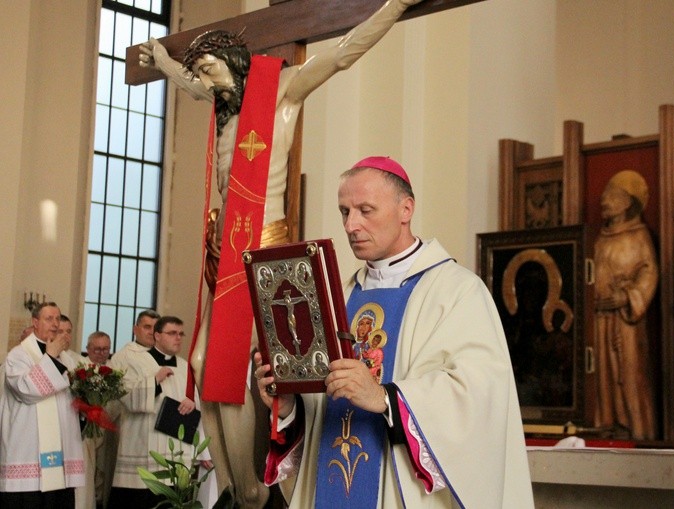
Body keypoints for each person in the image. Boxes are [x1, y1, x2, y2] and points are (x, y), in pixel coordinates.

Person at [138, 1, 426, 506]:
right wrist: (161, 58)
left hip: (265, 244)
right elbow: (188, 83)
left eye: (211, 70)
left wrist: (394, 6)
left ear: (236, 63)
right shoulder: (222, 109)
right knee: (203, 365)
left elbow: (341, 54)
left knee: (250, 368)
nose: (205, 81)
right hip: (225, 248)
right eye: (201, 73)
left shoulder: (282, 95)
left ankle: (254, 489)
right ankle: (230, 486)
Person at [254, 157, 533, 508]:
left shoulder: (457, 292)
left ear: (406, 209)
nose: (351, 225)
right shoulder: (339, 296)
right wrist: (288, 405)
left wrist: (386, 399)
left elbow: (479, 398)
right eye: (344, 211)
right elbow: (323, 409)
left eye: (365, 210)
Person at [109, 316, 208, 509]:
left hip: (176, 448)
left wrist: (192, 402)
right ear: (157, 335)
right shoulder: (135, 360)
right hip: (142, 445)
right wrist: (154, 381)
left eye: (180, 334)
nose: (178, 338)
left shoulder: (186, 366)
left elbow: (200, 401)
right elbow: (125, 396)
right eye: (172, 333)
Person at [593, 170, 658, 440]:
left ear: (627, 202)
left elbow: (649, 273)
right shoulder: (599, 238)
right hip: (600, 319)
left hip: (627, 321)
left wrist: (628, 296)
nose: (604, 201)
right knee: (603, 378)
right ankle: (607, 428)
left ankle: (636, 430)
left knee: (629, 375)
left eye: (612, 196)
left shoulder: (639, 235)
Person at [0, 302, 85, 508]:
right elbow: (25, 390)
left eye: (58, 318)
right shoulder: (18, 355)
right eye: (49, 318)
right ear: (35, 322)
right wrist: (52, 357)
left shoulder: (68, 358)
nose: (55, 324)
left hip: (62, 453)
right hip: (28, 454)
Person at [102, 309, 159, 508]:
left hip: (161, 435)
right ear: (135, 329)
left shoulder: (165, 356)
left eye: (155, 328)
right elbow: (124, 394)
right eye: (147, 327)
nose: (152, 332)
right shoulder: (123, 357)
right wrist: (155, 383)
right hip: (134, 433)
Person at [76, 332, 113, 509]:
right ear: (87, 348)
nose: (101, 353)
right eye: (97, 348)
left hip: (106, 430)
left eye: (105, 349)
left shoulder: (113, 372)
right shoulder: (79, 369)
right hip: (84, 431)